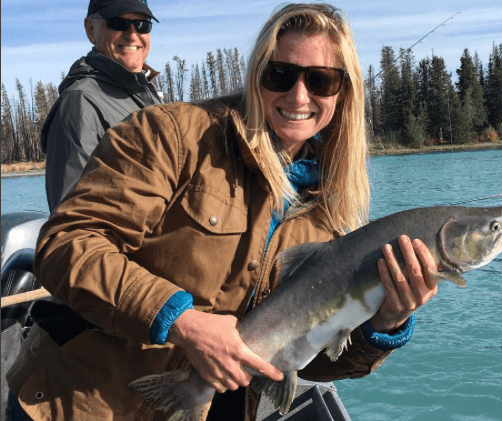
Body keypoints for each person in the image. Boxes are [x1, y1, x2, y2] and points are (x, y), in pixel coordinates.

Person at [6, 4, 438, 421]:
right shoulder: (171, 134)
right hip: (87, 403)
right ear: (257, 76)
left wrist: (383, 324)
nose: (298, 94)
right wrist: (179, 321)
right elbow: (66, 245)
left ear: (343, 92)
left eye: (322, 80)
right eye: (280, 74)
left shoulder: (331, 211)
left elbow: (303, 361)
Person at [42, 0, 162, 212]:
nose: (133, 35)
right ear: (91, 29)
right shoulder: (79, 103)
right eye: (118, 23)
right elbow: (73, 223)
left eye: (143, 25)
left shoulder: (147, 97)